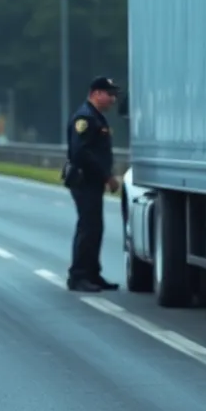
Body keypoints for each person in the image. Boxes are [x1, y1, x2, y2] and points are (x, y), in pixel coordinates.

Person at [63, 77, 122, 293]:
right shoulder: (85, 118)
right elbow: (81, 153)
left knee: (95, 227)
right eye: (109, 94)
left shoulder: (96, 117)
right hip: (84, 180)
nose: (113, 99)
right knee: (88, 228)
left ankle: (92, 273)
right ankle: (78, 276)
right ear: (96, 93)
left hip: (91, 182)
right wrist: (106, 176)